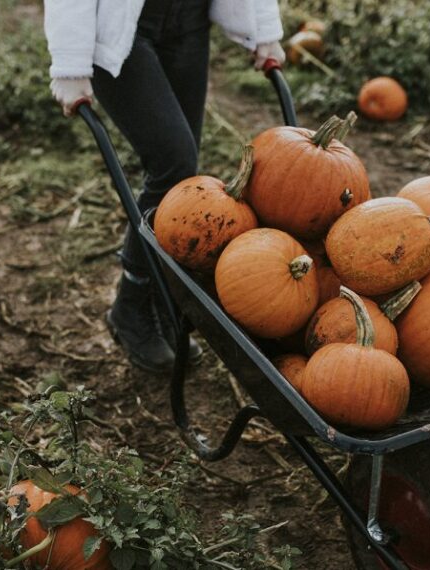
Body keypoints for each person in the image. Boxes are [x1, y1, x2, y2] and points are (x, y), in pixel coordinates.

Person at [44, 0, 286, 373]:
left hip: (190, 22)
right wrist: (69, 63)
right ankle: (132, 301)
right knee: (173, 160)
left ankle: (160, 299)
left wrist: (265, 29)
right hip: (124, 28)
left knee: (182, 177)